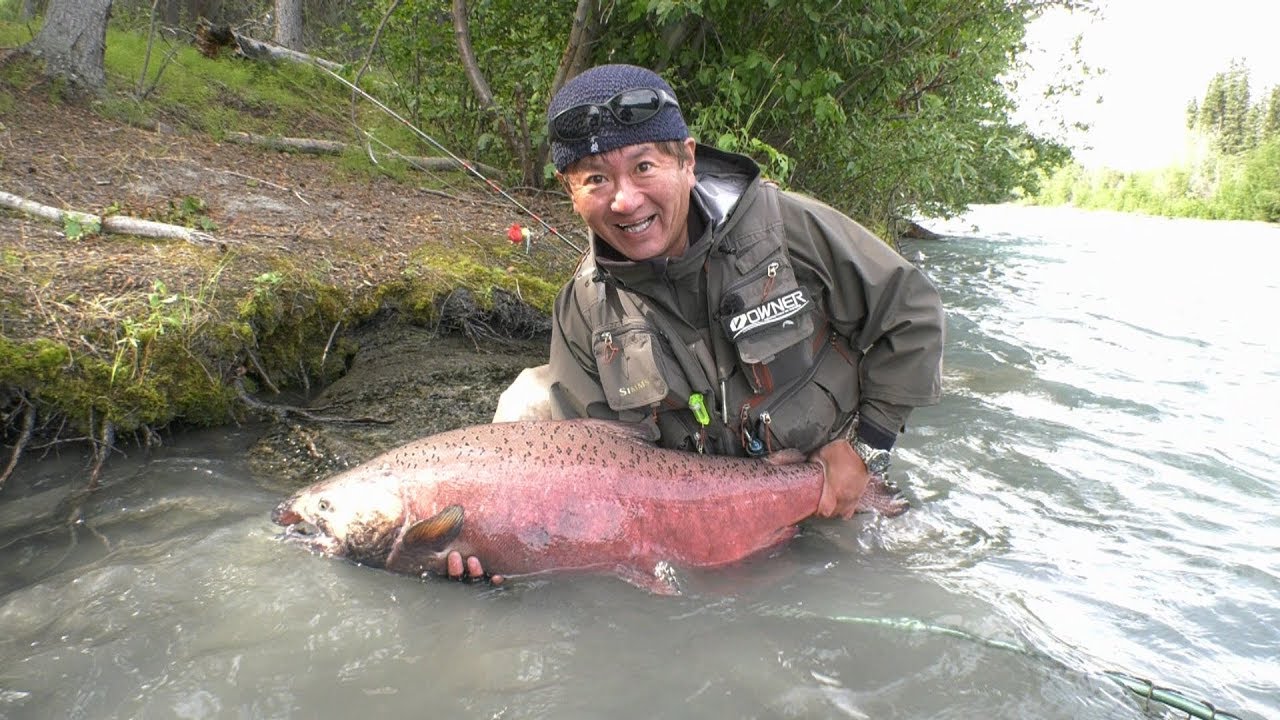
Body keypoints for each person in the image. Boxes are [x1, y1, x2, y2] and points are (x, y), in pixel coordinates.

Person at [449, 63, 944, 582]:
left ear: (686, 159)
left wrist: (869, 449)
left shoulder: (785, 227)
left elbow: (911, 311)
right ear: (569, 191)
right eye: (596, 179)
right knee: (525, 405)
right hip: (700, 510)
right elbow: (601, 474)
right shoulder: (583, 310)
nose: (625, 200)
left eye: (643, 167)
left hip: (833, 475)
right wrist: (508, 544)